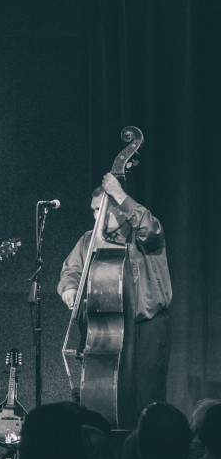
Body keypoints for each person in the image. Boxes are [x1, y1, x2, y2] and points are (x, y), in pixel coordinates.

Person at [58, 172, 172, 428]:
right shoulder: (89, 240)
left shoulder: (142, 235)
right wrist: (69, 288)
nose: (95, 216)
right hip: (108, 330)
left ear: (119, 210)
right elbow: (70, 270)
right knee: (106, 400)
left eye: (100, 210)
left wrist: (119, 194)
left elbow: (152, 231)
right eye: (93, 211)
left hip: (146, 326)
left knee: (146, 399)